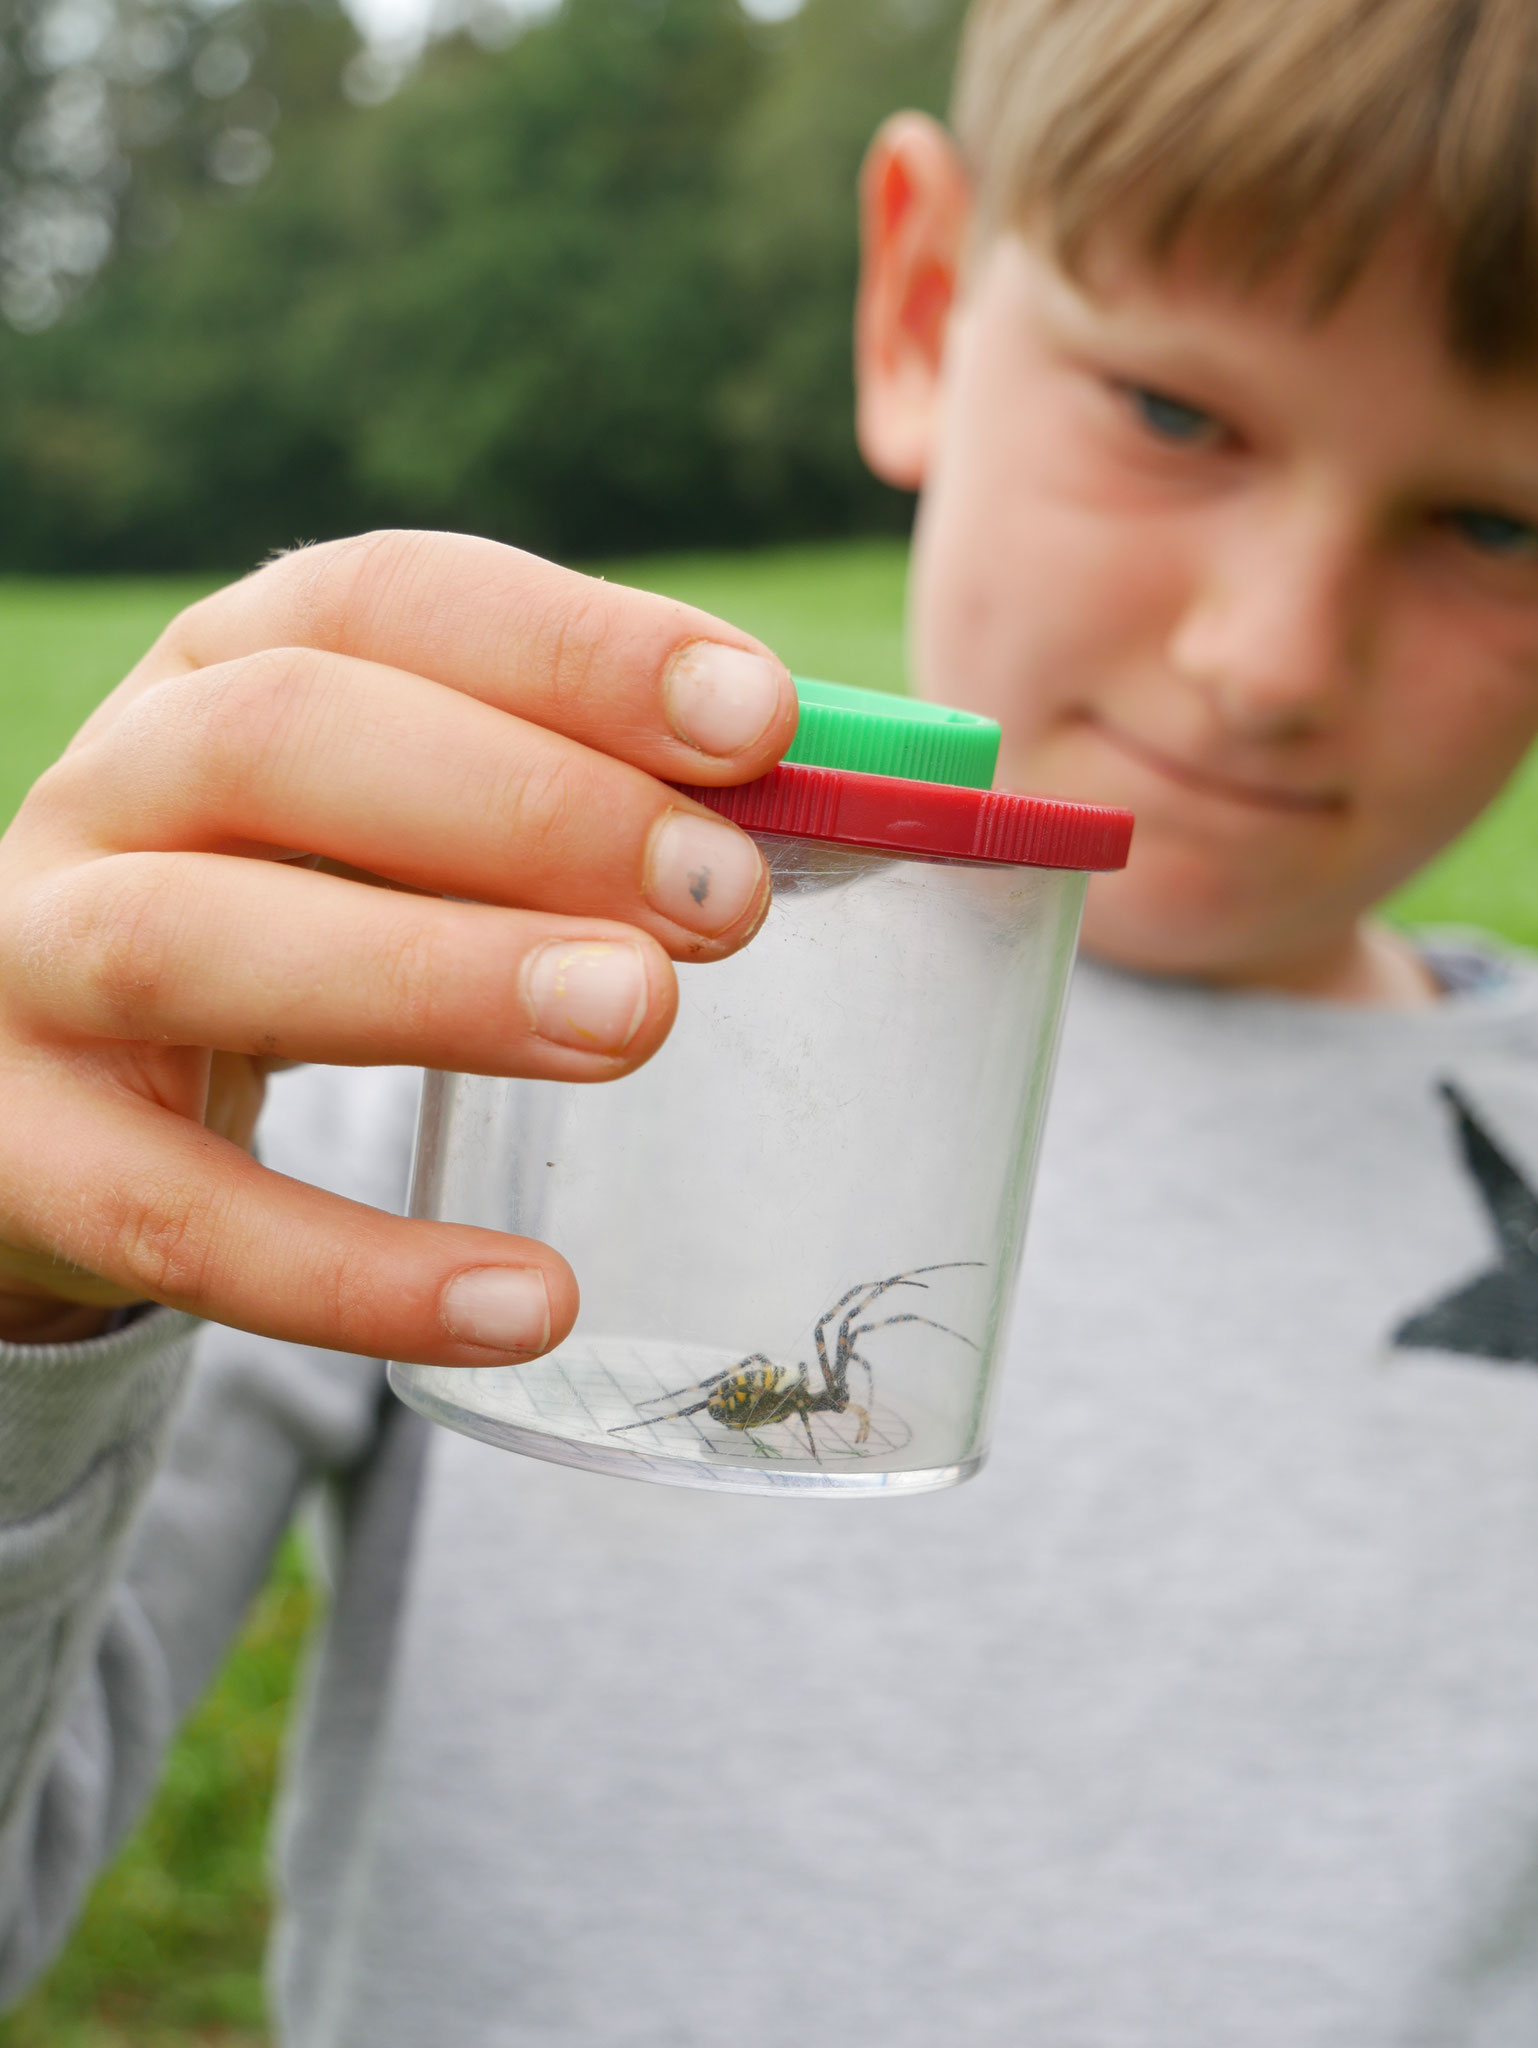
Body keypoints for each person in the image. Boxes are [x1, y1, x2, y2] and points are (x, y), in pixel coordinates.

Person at [5, 0, 1538, 2036]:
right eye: (1174, 413)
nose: (1266, 660)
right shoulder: (481, 1034)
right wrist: (28, 1293)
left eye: (1498, 521)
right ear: (914, 302)